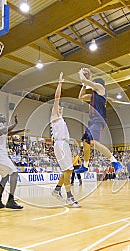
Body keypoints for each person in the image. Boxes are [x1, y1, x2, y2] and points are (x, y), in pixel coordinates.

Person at [75, 68, 123, 174]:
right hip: (92, 121)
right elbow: (81, 97)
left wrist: (82, 74)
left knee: (93, 142)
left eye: (94, 84)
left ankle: (115, 162)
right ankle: (85, 166)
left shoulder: (101, 89)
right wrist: (84, 85)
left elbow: (86, 81)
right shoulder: (93, 95)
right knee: (86, 142)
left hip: (98, 120)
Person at [50, 72, 80, 207]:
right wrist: (60, 83)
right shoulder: (54, 116)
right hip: (60, 144)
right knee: (68, 170)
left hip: (64, 144)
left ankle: (57, 190)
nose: (60, 107)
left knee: (68, 170)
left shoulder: (60, 119)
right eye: (58, 107)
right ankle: (69, 197)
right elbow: (57, 97)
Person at [0, 113, 23, 209]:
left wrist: (19, 130)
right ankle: (11, 200)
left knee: (5, 176)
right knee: (14, 172)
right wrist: (15, 124)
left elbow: (6, 133)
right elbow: (1, 131)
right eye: (1, 115)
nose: (3, 116)